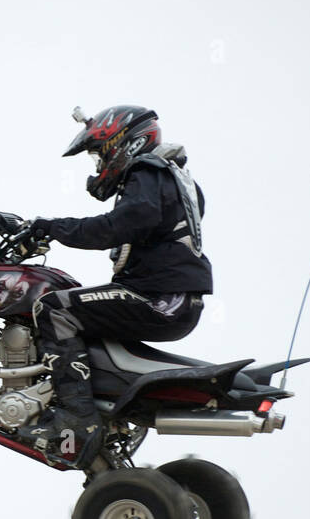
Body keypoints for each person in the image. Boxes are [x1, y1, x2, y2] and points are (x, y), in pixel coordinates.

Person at [25, 105, 213, 469]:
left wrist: (51, 227)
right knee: (80, 307)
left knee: (53, 308)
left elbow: (120, 224)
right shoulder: (172, 178)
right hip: (172, 299)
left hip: (161, 299)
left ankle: (77, 419)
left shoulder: (148, 170)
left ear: (123, 143)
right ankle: (100, 410)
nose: (98, 165)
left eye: (100, 153)